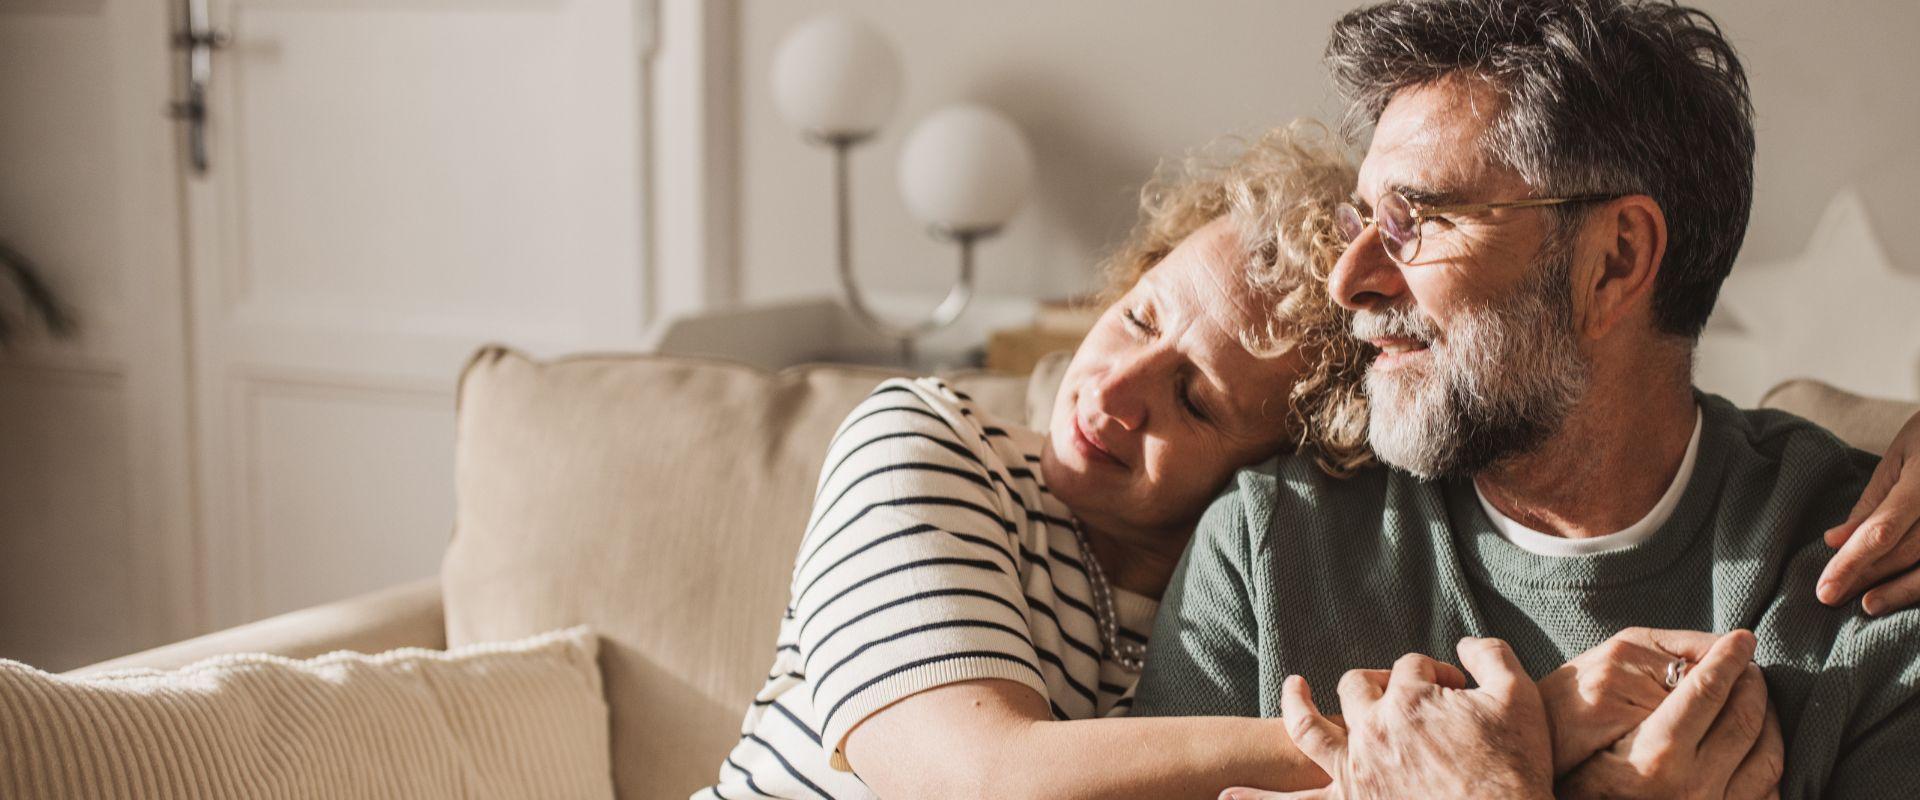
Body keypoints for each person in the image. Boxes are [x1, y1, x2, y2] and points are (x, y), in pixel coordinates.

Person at [698, 126, 1920, 800]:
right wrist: (1511, 730)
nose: (1116, 393)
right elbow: (982, 781)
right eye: (1140, 316)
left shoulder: (1254, 559)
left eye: (1195, 395)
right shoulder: (929, 445)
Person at [1130, 2, 1920, 798]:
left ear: (1614, 261)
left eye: (1419, 219)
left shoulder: (1873, 584)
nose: (1351, 280)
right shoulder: (1271, 546)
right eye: (1362, 220)